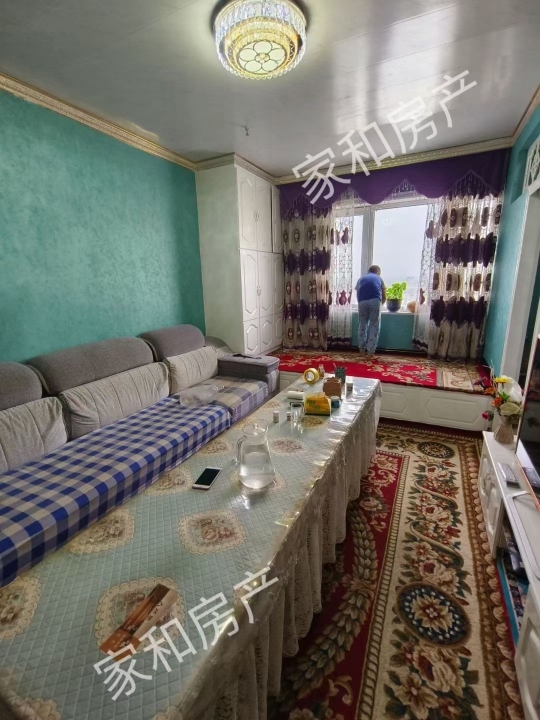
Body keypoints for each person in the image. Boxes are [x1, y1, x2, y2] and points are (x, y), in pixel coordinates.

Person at [355, 265, 386, 358]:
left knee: (362, 324)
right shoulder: (379, 278)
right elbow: (384, 295)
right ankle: (370, 353)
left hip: (362, 301)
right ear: (378, 272)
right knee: (374, 325)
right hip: (375, 300)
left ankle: (361, 350)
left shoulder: (361, 279)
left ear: (368, 271)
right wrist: (381, 304)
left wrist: (360, 303)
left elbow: (358, 293)